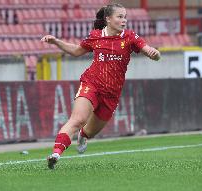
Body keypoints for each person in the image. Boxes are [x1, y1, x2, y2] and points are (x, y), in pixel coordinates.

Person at [41, 3, 161, 169]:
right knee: (78, 119)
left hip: (111, 94)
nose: (124, 20)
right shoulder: (95, 36)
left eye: (125, 17)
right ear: (108, 19)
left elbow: (148, 50)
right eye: (120, 17)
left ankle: (83, 135)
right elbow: (76, 51)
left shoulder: (130, 37)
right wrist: (56, 42)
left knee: (90, 131)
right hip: (91, 84)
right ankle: (56, 153)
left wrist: (154, 54)